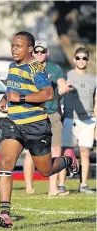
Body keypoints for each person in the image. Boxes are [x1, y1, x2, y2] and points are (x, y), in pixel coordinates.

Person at [0, 31, 79, 229]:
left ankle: (67, 159)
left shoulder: (36, 69)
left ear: (30, 48)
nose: (14, 49)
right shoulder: (12, 66)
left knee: (46, 170)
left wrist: (20, 99)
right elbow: (12, 89)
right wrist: (5, 99)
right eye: (13, 45)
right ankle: (4, 213)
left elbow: (48, 93)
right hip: (13, 123)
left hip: (36, 125)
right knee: (5, 162)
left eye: (19, 45)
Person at [23, 39, 73, 196]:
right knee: (32, 151)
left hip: (53, 113)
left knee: (56, 149)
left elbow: (61, 84)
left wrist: (64, 89)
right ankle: (29, 187)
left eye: (42, 51)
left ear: (47, 53)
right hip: (34, 115)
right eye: (36, 51)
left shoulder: (54, 68)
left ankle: (53, 189)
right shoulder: (27, 68)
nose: (39, 54)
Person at [61, 47, 96, 194]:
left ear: (88, 61)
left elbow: (96, 102)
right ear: (74, 59)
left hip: (88, 120)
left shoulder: (93, 79)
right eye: (78, 58)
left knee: (85, 152)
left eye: (84, 58)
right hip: (70, 118)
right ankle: (61, 184)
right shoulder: (66, 76)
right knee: (66, 152)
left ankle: (83, 185)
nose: (81, 60)